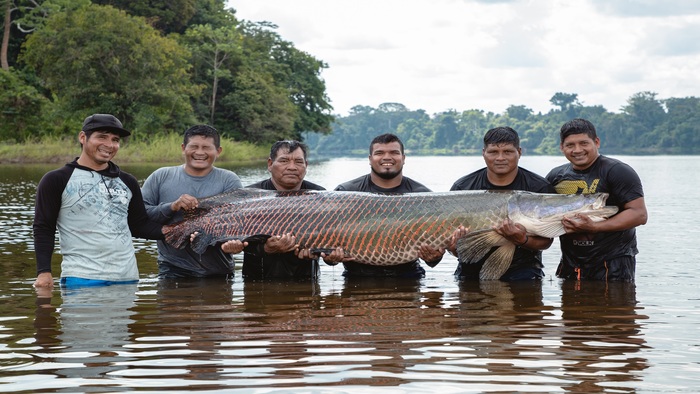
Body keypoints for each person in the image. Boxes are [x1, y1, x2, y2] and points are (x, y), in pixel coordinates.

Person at [33, 114, 164, 288]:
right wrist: (44, 272)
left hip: (127, 278)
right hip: (81, 278)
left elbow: (140, 226)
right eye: (102, 137)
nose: (109, 145)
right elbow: (44, 227)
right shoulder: (56, 179)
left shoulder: (127, 181)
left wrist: (179, 231)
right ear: (82, 137)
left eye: (115, 140)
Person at [326, 133, 445, 277]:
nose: (387, 157)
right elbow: (328, 245)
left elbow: (434, 259)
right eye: (379, 153)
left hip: (408, 277)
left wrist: (435, 257)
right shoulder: (345, 193)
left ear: (403, 158)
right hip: (358, 277)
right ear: (370, 159)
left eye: (394, 152)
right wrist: (330, 259)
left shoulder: (423, 196)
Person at [546, 118, 648, 282]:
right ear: (561, 147)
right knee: (571, 307)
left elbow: (639, 214)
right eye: (570, 145)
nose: (577, 150)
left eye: (584, 143)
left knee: (614, 307)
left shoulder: (617, 171)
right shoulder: (555, 176)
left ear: (596, 142)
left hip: (613, 261)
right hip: (571, 260)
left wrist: (595, 227)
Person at [450, 126, 555, 281]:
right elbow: (452, 246)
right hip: (471, 269)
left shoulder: (539, 188)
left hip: (523, 270)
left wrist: (522, 240)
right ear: (483, 153)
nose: (500, 158)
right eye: (493, 152)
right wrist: (454, 246)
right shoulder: (463, 188)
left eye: (507, 152)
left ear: (519, 152)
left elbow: (546, 241)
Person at [141, 124, 245, 278]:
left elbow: (238, 222)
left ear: (218, 151)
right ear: (183, 148)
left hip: (218, 271)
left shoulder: (229, 180)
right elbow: (141, 216)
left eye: (207, 147)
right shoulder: (160, 176)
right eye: (194, 146)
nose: (200, 152)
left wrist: (234, 243)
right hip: (173, 270)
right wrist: (172, 206)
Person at [243, 140, 325, 280]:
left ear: (306, 165)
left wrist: (321, 253)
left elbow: (328, 238)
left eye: (299, 162)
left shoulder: (320, 196)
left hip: (306, 280)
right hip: (257, 280)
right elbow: (238, 242)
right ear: (270, 164)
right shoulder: (250, 196)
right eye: (284, 161)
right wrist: (266, 249)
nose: (292, 167)